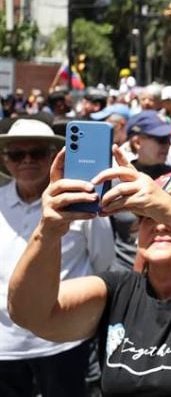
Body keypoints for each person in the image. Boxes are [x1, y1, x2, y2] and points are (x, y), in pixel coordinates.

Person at [8, 151, 171, 396]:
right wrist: (48, 230)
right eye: (148, 217)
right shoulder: (117, 291)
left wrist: (166, 206)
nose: (160, 224)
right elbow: (31, 314)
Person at [0, 118, 114, 397]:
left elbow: (102, 262)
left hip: (62, 341)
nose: (27, 160)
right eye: (17, 154)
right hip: (5, 344)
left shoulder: (80, 202)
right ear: (6, 159)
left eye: (36, 153)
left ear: (53, 157)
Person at [125, 111, 171, 180]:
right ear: (137, 142)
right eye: (162, 139)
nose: (168, 144)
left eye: (168, 138)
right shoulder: (123, 178)